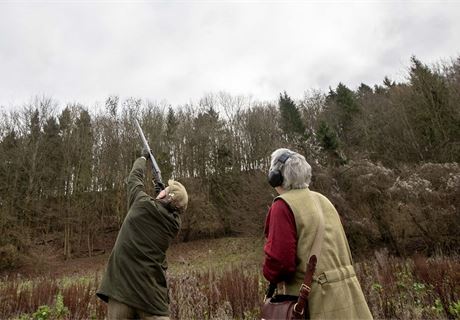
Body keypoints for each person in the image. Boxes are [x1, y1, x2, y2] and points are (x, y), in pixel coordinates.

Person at [263, 148, 372, 319]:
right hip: (350, 297)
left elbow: (280, 265)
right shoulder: (323, 200)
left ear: (275, 176)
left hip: (316, 303)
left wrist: (268, 274)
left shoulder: (282, 206)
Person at [97, 150, 188, 320]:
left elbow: (134, 180)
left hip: (121, 292)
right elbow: (167, 209)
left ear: (166, 197)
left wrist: (141, 158)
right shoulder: (174, 225)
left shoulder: (141, 204)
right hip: (152, 298)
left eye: (166, 190)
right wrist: (162, 193)